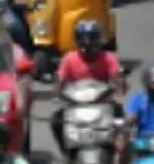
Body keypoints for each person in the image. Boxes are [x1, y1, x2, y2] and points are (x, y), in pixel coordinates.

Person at [49, 20, 126, 152]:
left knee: (120, 118)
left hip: (102, 100)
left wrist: (119, 85)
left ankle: (116, 151)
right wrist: (57, 92)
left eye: (92, 38)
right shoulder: (69, 59)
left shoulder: (109, 58)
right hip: (76, 102)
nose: (88, 43)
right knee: (56, 121)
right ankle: (67, 151)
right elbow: (60, 79)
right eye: (84, 39)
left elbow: (117, 76)